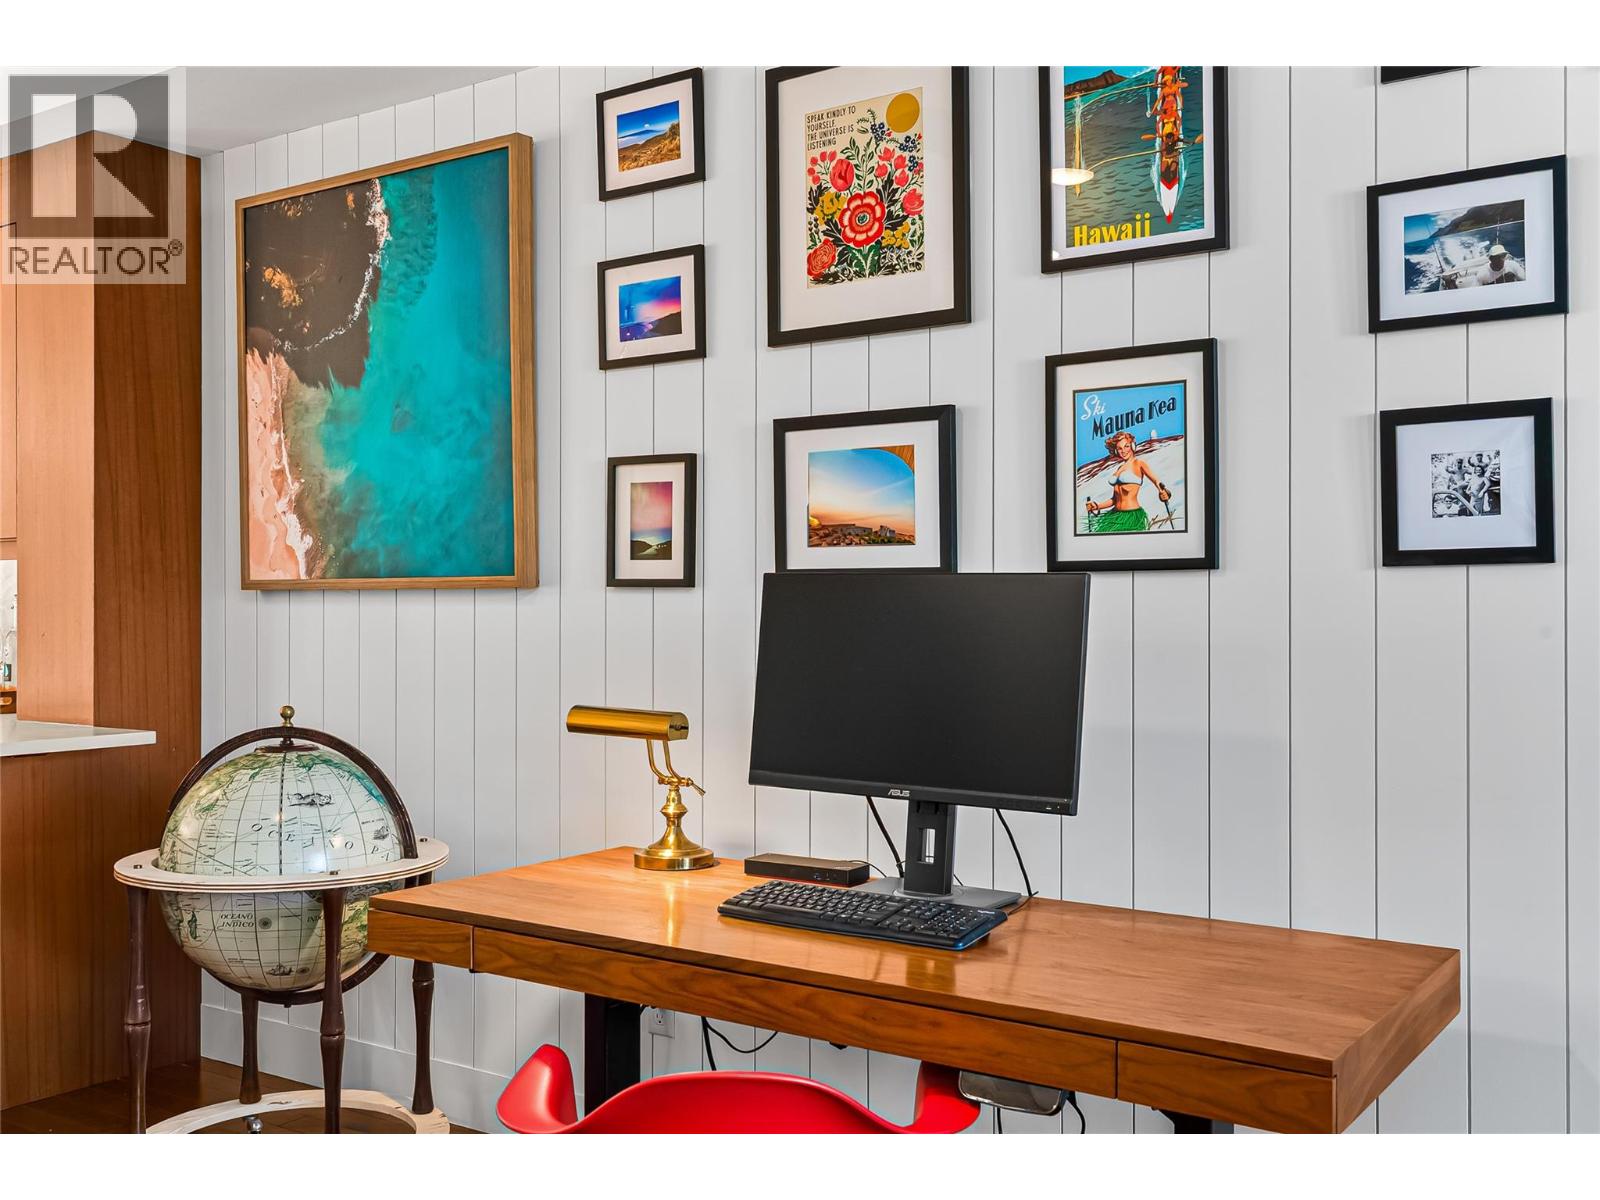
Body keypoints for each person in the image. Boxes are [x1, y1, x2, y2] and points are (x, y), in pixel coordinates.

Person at [1084, 430, 1171, 532]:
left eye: (1126, 446)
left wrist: (1163, 492)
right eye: (1119, 448)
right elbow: (1114, 500)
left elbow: (1156, 481)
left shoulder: (1139, 463)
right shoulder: (1119, 468)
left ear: (1132, 446)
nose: (1123, 451)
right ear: (1116, 451)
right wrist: (1096, 506)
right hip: (1115, 515)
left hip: (1131, 516)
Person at [1446, 242, 1526, 288]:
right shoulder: (1482, 274)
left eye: (1503, 256)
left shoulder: (1513, 265)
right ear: (1491, 259)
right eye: (1497, 257)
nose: (1501, 259)